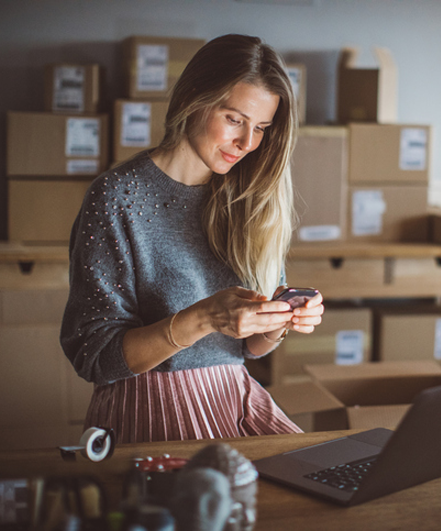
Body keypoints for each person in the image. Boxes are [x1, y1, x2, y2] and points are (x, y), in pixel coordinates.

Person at [60, 34, 324, 443]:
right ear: (193, 99)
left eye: (261, 128)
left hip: (234, 396)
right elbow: (94, 357)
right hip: (148, 406)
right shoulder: (118, 198)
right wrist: (202, 318)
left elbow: (247, 347)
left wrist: (278, 322)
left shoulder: (248, 197)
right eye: (234, 120)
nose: (247, 144)